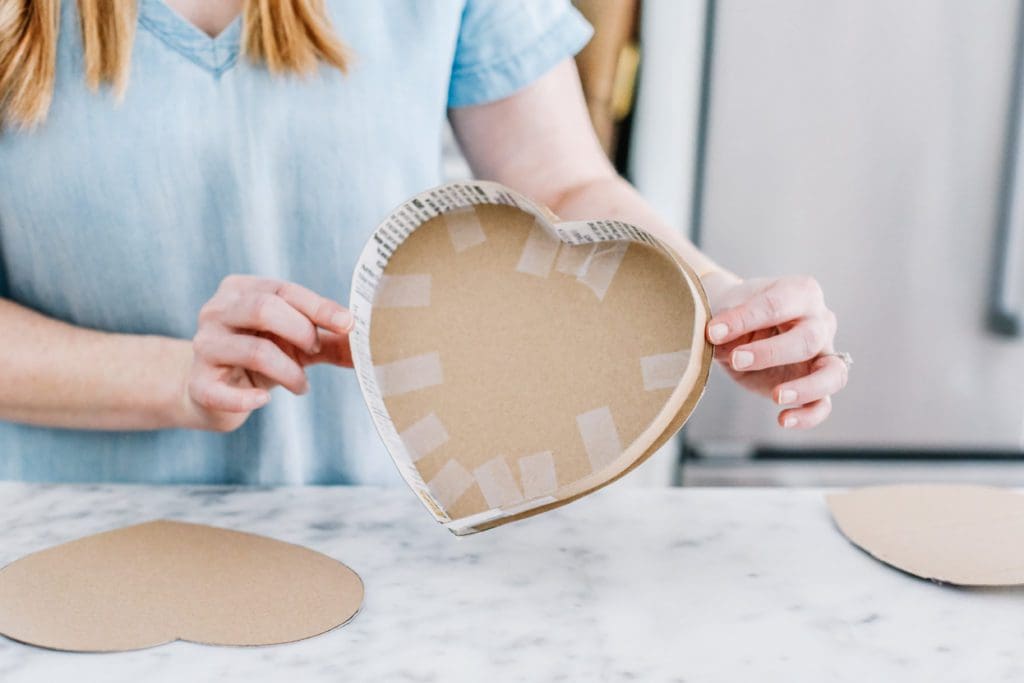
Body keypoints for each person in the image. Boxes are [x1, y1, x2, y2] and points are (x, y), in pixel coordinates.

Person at [0, 0, 846, 486]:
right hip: (62, 547)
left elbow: (562, 185)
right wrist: (171, 380)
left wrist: (711, 295)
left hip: (373, 541)